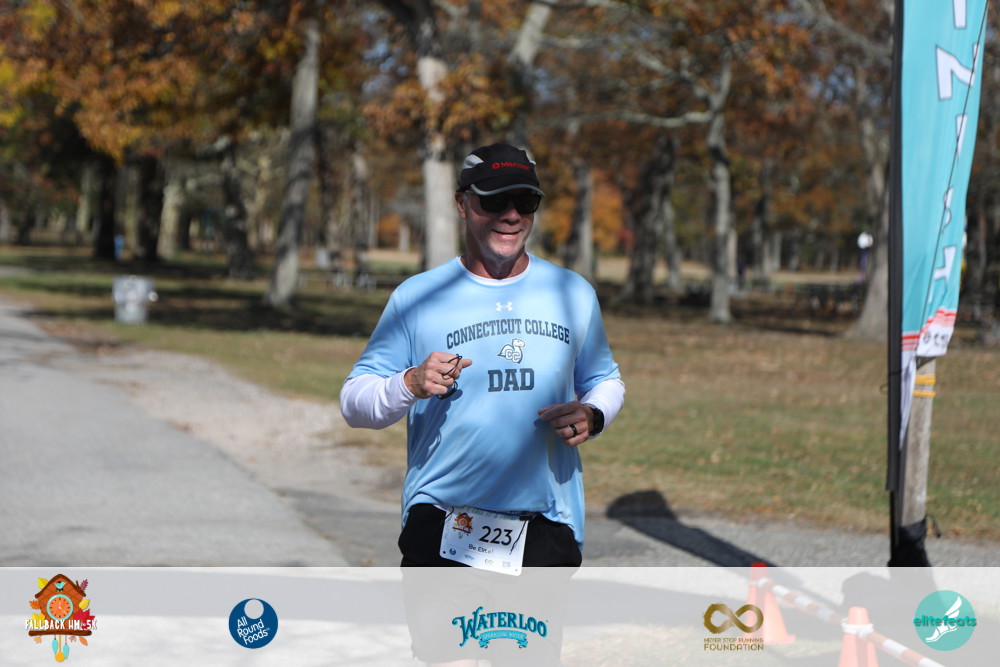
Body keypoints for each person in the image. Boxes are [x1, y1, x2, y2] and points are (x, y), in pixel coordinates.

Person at [340, 142, 625, 570]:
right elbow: (354, 403)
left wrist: (594, 414)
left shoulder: (572, 293)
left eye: (525, 201)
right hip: (443, 520)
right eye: (494, 200)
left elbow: (604, 380)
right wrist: (410, 383)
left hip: (546, 523)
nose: (511, 215)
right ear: (462, 204)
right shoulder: (418, 296)